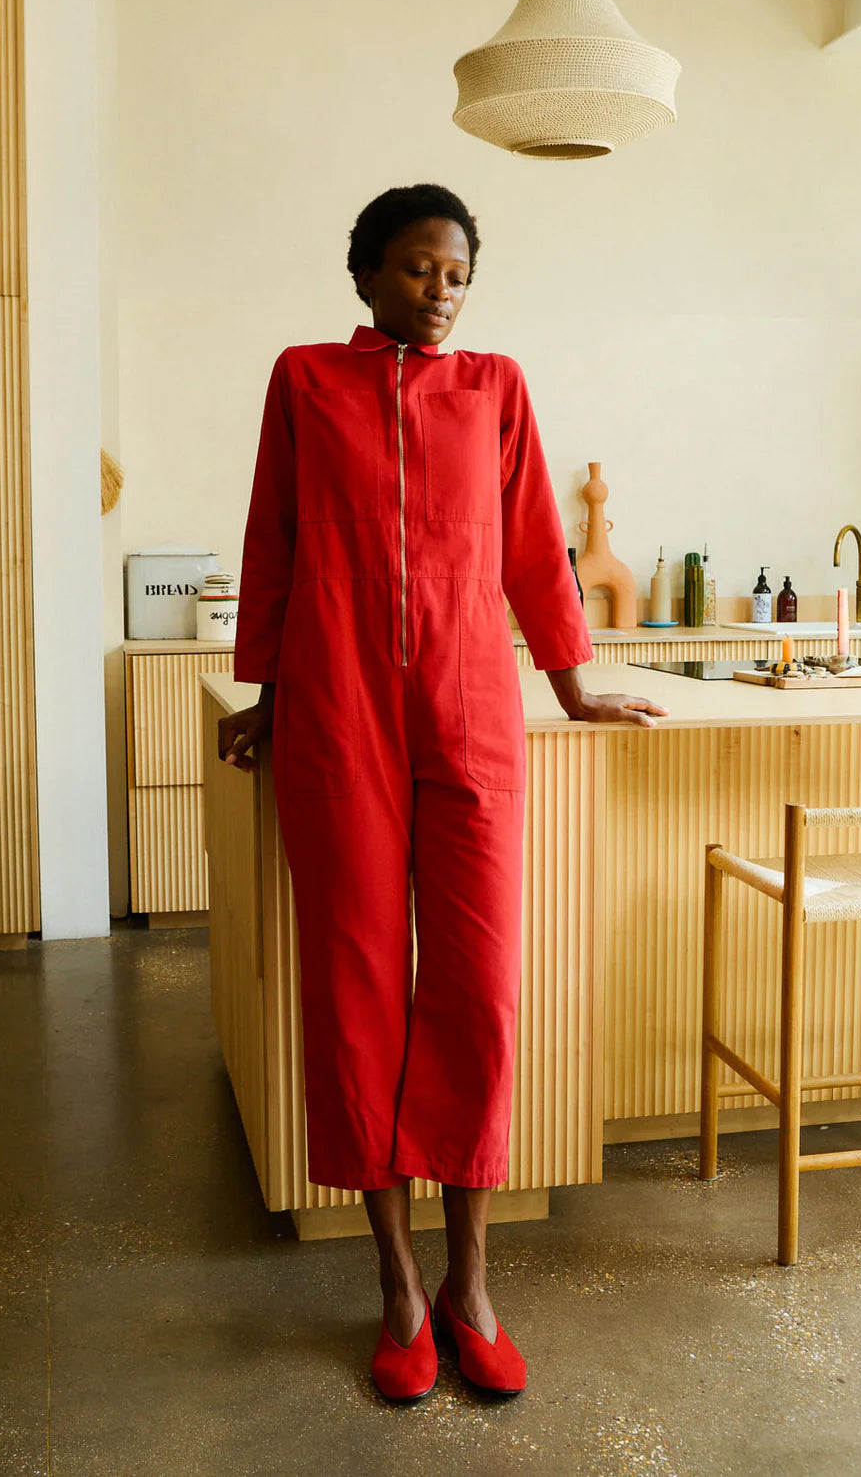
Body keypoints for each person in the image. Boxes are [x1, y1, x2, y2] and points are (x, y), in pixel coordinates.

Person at [217, 184, 666, 1402]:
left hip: (469, 701)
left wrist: (572, 688)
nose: (440, 290)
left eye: (457, 273)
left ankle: (471, 1281)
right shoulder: (306, 380)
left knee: (476, 985)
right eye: (418, 268)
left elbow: (532, 549)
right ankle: (399, 1286)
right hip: (337, 703)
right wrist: (267, 691)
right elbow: (275, 538)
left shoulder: (495, 388)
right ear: (366, 273)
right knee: (354, 982)